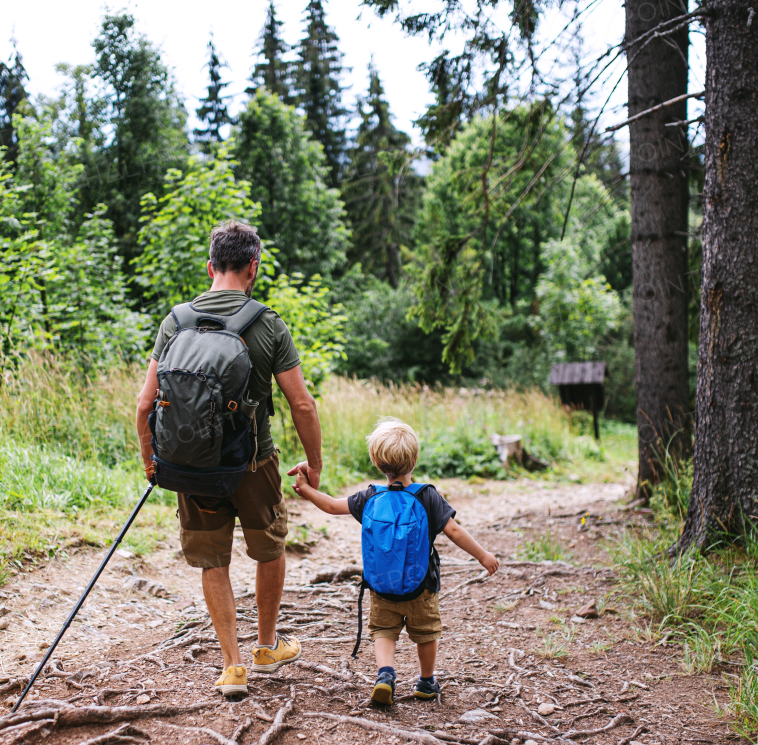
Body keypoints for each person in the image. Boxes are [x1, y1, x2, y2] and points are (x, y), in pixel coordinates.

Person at [135, 220, 323, 699]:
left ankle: (231, 665)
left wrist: (150, 459)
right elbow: (302, 404)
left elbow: (144, 404)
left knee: (212, 560)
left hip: (191, 465)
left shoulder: (176, 321)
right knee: (269, 547)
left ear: (211, 265)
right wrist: (314, 465)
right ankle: (265, 647)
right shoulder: (267, 323)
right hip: (254, 464)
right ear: (253, 267)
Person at [290, 418, 500, 704]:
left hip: (381, 586)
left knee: (383, 631)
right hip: (422, 588)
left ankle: (385, 675)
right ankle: (426, 682)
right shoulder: (427, 496)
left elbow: (330, 505)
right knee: (426, 633)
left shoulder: (370, 497)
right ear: (414, 459)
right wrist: (483, 555)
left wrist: (306, 489)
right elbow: (455, 530)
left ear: (377, 463)